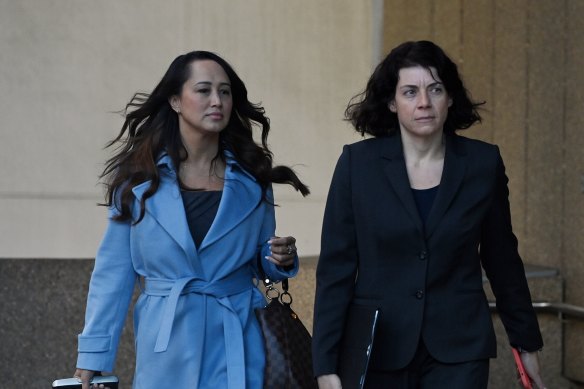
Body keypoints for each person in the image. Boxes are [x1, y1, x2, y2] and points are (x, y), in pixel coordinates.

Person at [312, 40, 546, 389]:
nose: (424, 102)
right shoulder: (357, 165)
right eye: (410, 92)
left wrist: (525, 342)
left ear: (450, 97)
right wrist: (325, 363)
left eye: (435, 89)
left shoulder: (483, 164)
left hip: (460, 347)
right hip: (379, 346)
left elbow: (502, 259)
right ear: (391, 102)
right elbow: (336, 268)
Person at [73, 50, 309, 389]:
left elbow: (258, 261)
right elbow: (113, 275)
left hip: (239, 339)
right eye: (203, 90)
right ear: (175, 100)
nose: (217, 100)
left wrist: (278, 259)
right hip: (167, 346)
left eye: (225, 92)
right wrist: (94, 356)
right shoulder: (139, 182)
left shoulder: (253, 179)